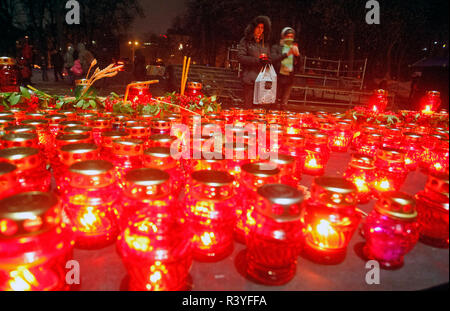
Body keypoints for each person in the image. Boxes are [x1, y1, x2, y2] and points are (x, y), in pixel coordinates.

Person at [237, 15, 272, 109]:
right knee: (248, 108)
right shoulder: (245, 41)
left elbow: (269, 58)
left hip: (262, 82)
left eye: (262, 28)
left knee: (260, 110)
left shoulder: (266, 43)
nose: (260, 30)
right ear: (253, 28)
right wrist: (257, 61)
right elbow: (240, 57)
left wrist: (268, 61)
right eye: (258, 27)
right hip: (249, 80)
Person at [271, 27, 301, 110]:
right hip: (278, 78)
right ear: (283, 36)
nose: (289, 38)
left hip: (289, 79)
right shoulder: (276, 47)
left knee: (284, 104)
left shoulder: (294, 48)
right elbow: (273, 59)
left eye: (291, 37)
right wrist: (286, 54)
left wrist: (298, 56)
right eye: (287, 36)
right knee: (274, 102)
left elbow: (299, 66)